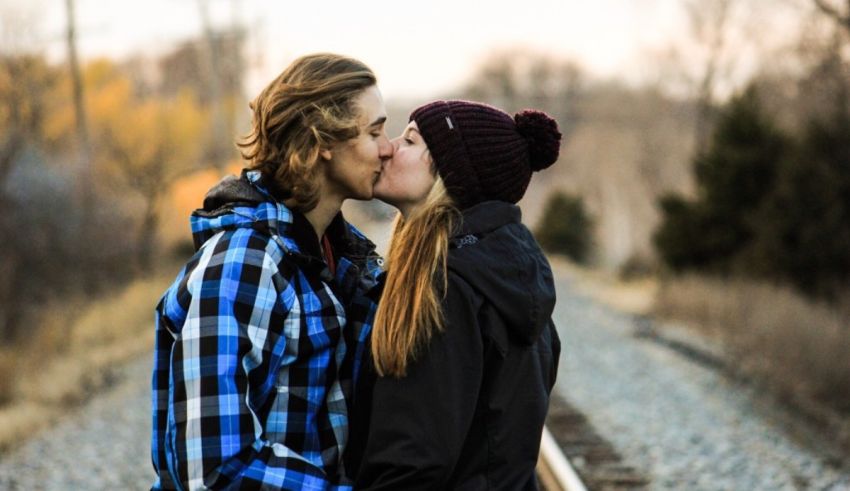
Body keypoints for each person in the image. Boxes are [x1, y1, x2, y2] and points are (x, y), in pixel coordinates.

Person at [151, 53, 391, 490]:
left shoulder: (337, 256)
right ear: (323, 141)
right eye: (374, 131)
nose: (388, 147)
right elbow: (214, 468)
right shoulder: (244, 262)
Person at [350, 100, 563, 490]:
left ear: (449, 175)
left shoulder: (447, 287)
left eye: (410, 141)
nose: (389, 147)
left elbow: (411, 463)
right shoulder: (500, 270)